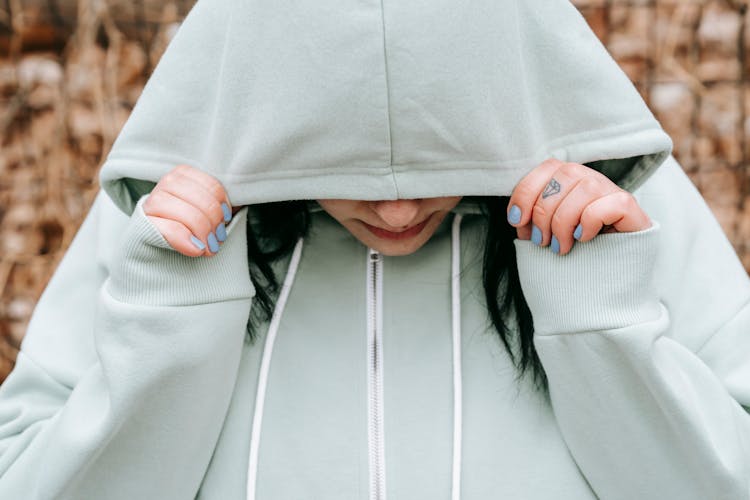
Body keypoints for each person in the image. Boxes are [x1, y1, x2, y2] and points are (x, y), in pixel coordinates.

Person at [1, 0, 749, 499]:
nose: (396, 206)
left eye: (442, 162)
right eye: (340, 162)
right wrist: (169, 332)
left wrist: (600, 319)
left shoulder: (613, 210)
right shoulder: (168, 222)